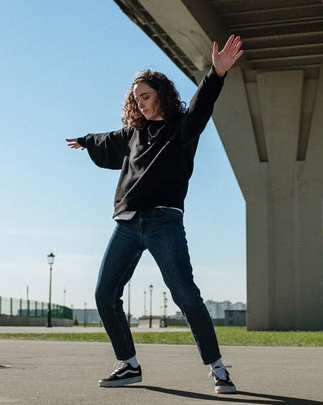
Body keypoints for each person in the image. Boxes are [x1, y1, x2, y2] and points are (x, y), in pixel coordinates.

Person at [66, 35, 243, 394]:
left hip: (164, 222)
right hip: (128, 224)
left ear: (160, 93)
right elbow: (107, 140)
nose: (140, 104)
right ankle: (128, 364)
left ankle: (219, 369)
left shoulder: (181, 128)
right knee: (104, 294)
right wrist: (85, 140)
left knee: (186, 296)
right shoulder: (134, 135)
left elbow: (201, 107)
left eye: (145, 96)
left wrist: (216, 74)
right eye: (136, 99)